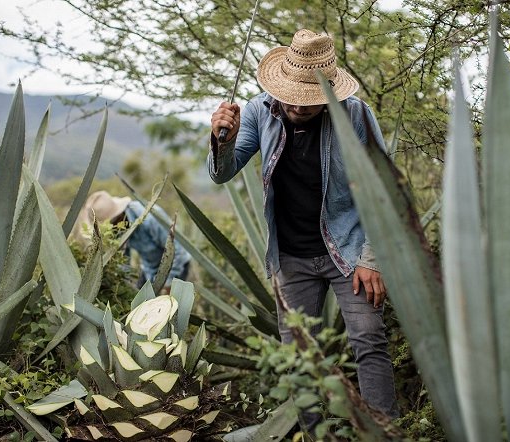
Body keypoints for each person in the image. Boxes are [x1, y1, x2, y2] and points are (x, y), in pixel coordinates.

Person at [208, 29, 398, 418]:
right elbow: (221, 174)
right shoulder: (259, 110)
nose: (298, 107)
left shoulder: (355, 114)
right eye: (292, 99)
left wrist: (372, 258)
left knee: (368, 340)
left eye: (308, 102)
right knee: (299, 356)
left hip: (348, 251)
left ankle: (385, 430)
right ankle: (314, 432)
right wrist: (220, 140)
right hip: (290, 256)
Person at [74, 190, 192, 289]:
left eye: (110, 225)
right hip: (150, 269)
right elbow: (123, 262)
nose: (110, 230)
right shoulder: (117, 229)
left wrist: (168, 284)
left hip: (177, 266)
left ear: (118, 216)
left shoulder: (150, 218)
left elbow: (178, 251)